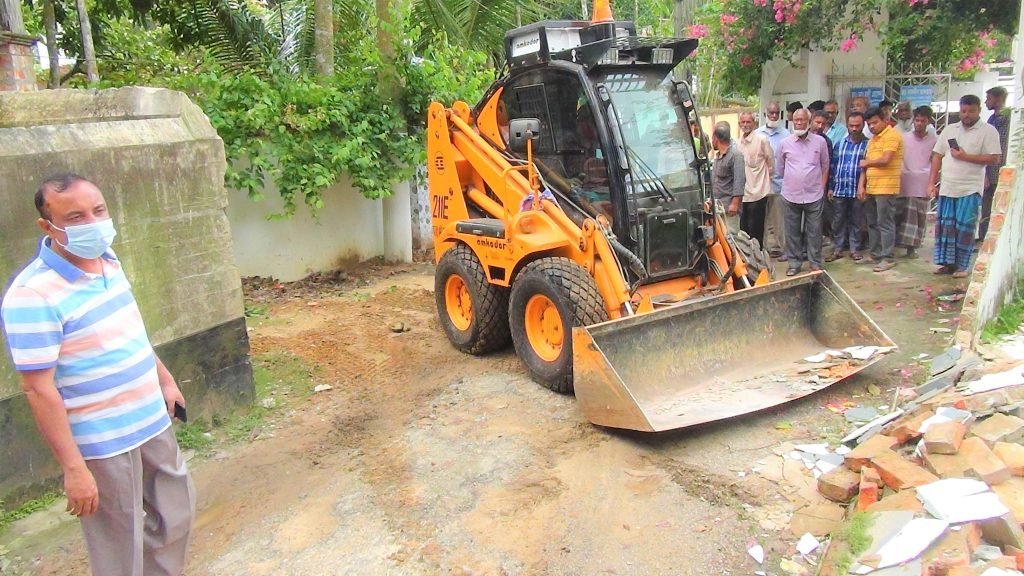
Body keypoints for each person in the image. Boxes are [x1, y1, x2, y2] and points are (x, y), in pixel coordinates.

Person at [0, 174, 195, 576]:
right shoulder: (32, 295)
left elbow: (131, 331)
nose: (93, 222)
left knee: (176, 515)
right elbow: (38, 389)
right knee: (118, 549)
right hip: (103, 444)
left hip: (151, 420)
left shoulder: (109, 260)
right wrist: (74, 468)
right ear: (48, 226)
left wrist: (165, 379)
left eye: (98, 210)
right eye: (76, 216)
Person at [929, 95, 1002, 278]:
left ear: (978, 110)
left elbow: (994, 158)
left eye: (971, 111)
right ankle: (947, 264)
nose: (967, 115)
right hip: (948, 188)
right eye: (963, 111)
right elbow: (937, 155)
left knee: (965, 228)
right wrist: (931, 182)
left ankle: (962, 266)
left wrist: (966, 157)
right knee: (946, 228)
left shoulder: (988, 131)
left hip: (969, 189)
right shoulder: (949, 129)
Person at [776, 109, 830, 276]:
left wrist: (821, 187)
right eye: (796, 120)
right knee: (792, 231)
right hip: (790, 195)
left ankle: (814, 263)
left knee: (814, 231)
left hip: (814, 195)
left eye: (802, 120)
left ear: (809, 121)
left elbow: (825, 166)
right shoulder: (785, 143)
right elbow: (780, 168)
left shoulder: (820, 142)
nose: (799, 123)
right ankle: (794, 263)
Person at [859, 106, 904, 272]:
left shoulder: (892, 136)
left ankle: (888, 257)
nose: (872, 126)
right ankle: (875, 253)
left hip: (886, 187)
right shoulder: (873, 139)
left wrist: (867, 163)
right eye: (869, 124)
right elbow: (864, 165)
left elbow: (886, 159)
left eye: (875, 123)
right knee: (872, 223)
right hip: (872, 187)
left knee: (885, 223)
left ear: (885, 119)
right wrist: (861, 185)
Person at [826, 112, 869, 262]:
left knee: (857, 220)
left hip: (857, 190)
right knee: (838, 220)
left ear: (863, 125)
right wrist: (831, 187)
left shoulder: (868, 145)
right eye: (851, 126)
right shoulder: (840, 144)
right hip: (840, 189)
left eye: (857, 125)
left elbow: (868, 170)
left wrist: (864, 187)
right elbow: (833, 166)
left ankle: (854, 249)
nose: (854, 129)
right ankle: (838, 248)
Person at [895, 106, 937, 258]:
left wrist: (933, 182)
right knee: (902, 214)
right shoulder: (904, 138)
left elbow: (936, 161)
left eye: (922, 121)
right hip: (905, 180)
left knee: (918, 217)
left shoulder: (934, 140)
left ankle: (912, 248)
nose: (919, 124)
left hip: (922, 182)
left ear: (929, 121)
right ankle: (901, 244)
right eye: (917, 120)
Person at [756, 101, 791, 260]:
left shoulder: (786, 135)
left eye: (777, 113)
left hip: (779, 185)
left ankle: (783, 249)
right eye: (771, 113)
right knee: (761, 220)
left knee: (780, 221)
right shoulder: (757, 135)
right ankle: (762, 251)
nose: (774, 116)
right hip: (760, 186)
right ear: (765, 114)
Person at [737, 112, 774, 247]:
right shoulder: (737, 143)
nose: (746, 125)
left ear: (754, 124)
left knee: (756, 231)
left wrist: (765, 179)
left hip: (759, 191)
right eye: (743, 122)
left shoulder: (761, 140)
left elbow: (771, 163)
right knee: (744, 231)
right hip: (743, 193)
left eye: (749, 122)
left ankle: (759, 261)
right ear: (739, 124)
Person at [980, 86, 1010, 240]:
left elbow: (998, 148)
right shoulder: (993, 119)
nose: (986, 102)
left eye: (989, 98)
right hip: (991, 171)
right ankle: (983, 237)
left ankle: (991, 238)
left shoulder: (1006, 119)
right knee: (986, 207)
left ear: (998, 99)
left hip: (999, 170)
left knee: (996, 207)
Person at [710, 121, 745, 231]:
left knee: (731, 241)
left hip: (728, 209)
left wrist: (734, 204)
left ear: (716, 138)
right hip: (717, 208)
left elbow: (739, 181)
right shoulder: (717, 157)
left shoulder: (736, 155)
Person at [810, 110, 836, 246]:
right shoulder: (799, 138)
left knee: (819, 218)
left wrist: (828, 187)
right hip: (801, 187)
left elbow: (829, 166)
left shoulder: (826, 142)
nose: (820, 126)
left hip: (820, 186)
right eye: (817, 122)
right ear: (811, 120)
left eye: (823, 124)